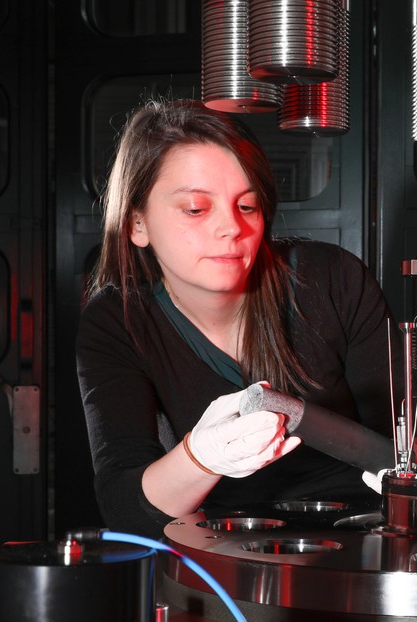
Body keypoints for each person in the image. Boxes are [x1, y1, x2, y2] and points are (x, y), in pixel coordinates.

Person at [77, 100, 396, 538]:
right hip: (218, 549)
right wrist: (198, 458)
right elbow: (124, 507)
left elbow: (401, 444)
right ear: (137, 224)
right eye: (196, 208)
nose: (232, 227)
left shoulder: (331, 280)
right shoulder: (119, 319)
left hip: (361, 533)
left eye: (247, 206)